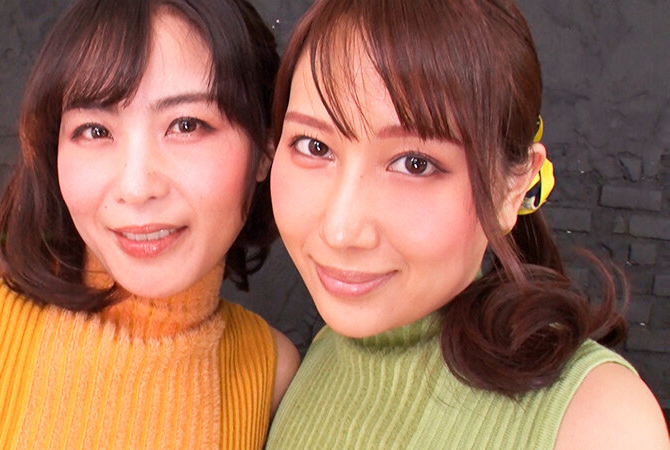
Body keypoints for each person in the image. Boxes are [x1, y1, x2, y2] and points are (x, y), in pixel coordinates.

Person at [0, 0, 299, 447]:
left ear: (265, 149)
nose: (136, 187)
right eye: (95, 130)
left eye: (187, 125)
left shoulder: (270, 373)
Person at [265, 0, 669, 448]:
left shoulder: (599, 420)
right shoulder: (309, 364)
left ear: (512, 188)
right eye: (314, 146)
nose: (340, 231)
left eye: (415, 163)